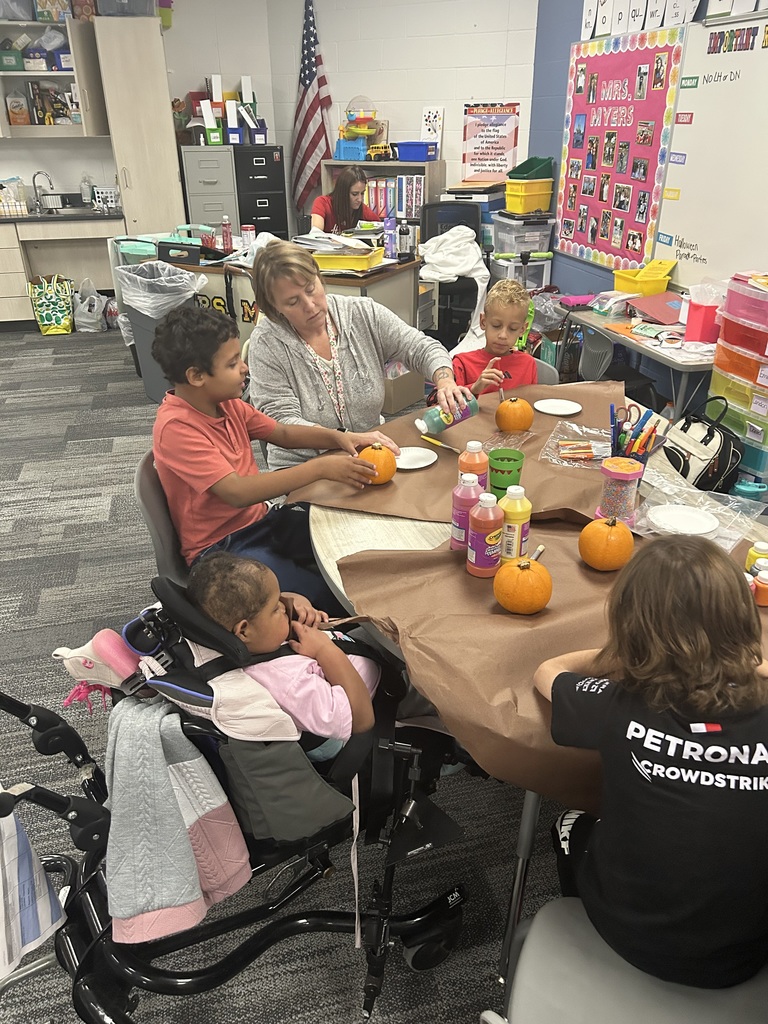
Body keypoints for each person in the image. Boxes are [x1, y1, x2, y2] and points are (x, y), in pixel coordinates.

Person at [533, 535, 768, 989]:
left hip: (627, 936)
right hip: (745, 952)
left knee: (569, 821)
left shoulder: (621, 705)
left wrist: (623, 659)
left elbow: (549, 672)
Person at [150, 306, 399, 609]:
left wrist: (338, 437)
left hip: (261, 522)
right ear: (197, 376)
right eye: (232, 364)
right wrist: (320, 468)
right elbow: (237, 492)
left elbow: (281, 433)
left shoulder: (227, 404)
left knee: (352, 541)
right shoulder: (176, 428)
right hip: (220, 552)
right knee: (333, 594)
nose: (244, 368)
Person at [248, 239, 472, 469]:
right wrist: (344, 439)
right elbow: (282, 423)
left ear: (319, 277)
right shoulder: (267, 343)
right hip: (304, 468)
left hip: (372, 453)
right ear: (275, 309)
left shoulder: (361, 313)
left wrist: (445, 379)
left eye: (310, 289)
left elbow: (420, 347)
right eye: (293, 301)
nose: (310, 305)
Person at [187, 552, 378, 761]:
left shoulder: (256, 641)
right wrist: (324, 650)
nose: (285, 604)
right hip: (381, 698)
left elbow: (270, 610)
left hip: (353, 650)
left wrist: (300, 605)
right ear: (243, 631)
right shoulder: (287, 685)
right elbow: (361, 721)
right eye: (275, 607)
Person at [450, 281, 537, 397]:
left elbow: (532, 403)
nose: (503, 335)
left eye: (513, 328)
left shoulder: (528, 364)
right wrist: (474, 389)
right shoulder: (462, 363)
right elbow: (443, 407)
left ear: (522, 329)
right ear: (483, 322)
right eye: (496, 325)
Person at [310, 166, 378, 234]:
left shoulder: (363, 209)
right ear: (343, 192)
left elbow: (381, 227)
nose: (360, 199)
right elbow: (315, 233)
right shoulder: (322, 203)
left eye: (362, 193)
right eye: (354, 194)